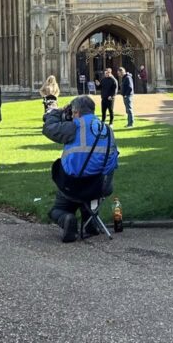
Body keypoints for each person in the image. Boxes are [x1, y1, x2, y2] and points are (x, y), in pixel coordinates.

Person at [43, 95, 119, 242]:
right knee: (90, 186)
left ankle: (67, 218)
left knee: (56, 210)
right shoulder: (107, 129)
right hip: (100, 186)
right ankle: (90, 219)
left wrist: (55, 112)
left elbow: (49, 129)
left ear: (76, 112)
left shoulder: (74, 126)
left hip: (74, 186)